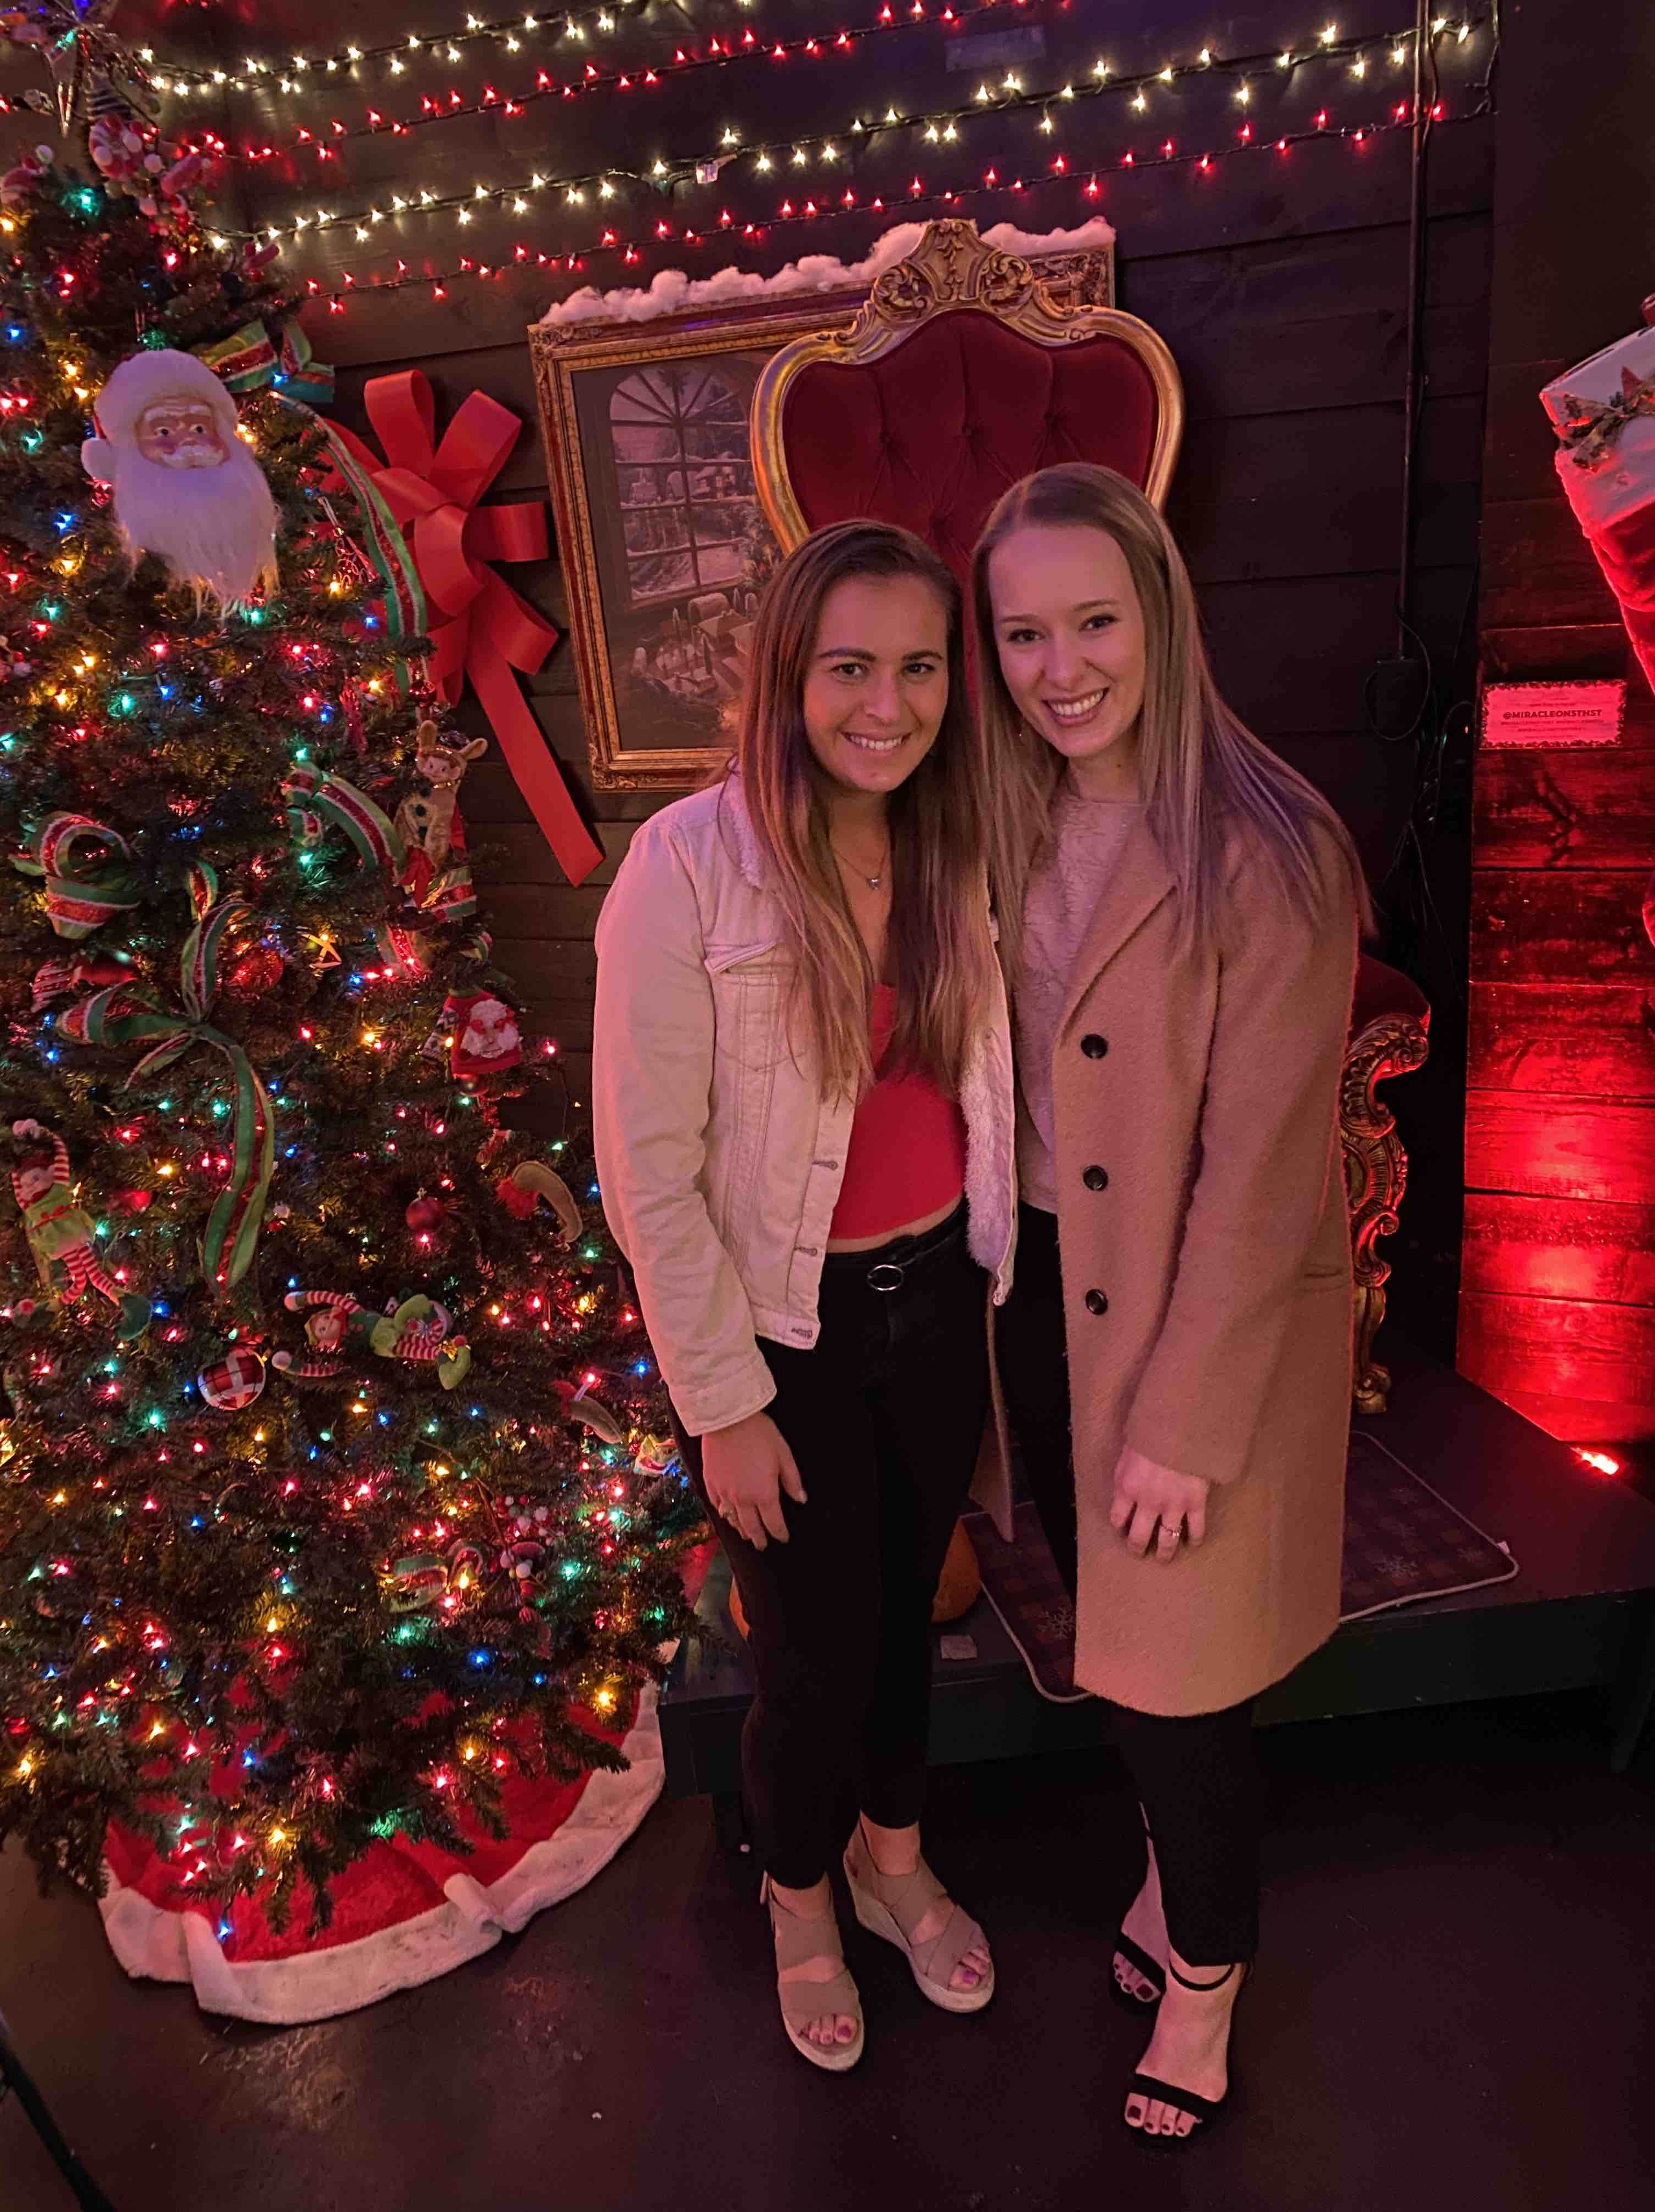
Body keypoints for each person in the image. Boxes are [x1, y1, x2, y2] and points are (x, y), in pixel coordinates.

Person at [972, 462, 1368, 2144]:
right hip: (1042, 1302)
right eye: (1023, 635)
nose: (1060, 669)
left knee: (1182, 1680)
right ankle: (1161, 1875)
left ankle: (1208, 1975)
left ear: (1161, 612)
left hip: (1188, 1321)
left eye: (1094, 623)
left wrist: (1187, 1422)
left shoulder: (1271, 846)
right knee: (1117, 1643)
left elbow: (1266, 1172)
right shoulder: (994, 818)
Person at [593, 520, 1018, 2072]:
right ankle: (796, 1893)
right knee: (811, 1654)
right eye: (849, 667)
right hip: (790, 1337)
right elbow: (648, 1168)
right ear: (786, 674)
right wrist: (723, 1404)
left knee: (908, 1620)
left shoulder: (955, 845)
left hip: (939, 1305)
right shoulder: (686, 867)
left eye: (919, 668)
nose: (886, 705)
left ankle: (892, 1861)